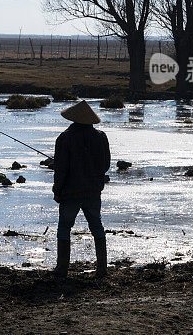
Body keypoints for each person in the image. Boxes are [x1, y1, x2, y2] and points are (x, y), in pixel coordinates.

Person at [52, 99, 111, 277]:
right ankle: (102, 269)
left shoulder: (65, 138)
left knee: (64, 228)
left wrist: (57, 190)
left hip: (70, 192)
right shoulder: (101, 137)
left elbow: (61, 169)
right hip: (93, 190)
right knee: (97, 226)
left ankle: (62, 269)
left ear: (73, 119)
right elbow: (106, 165)